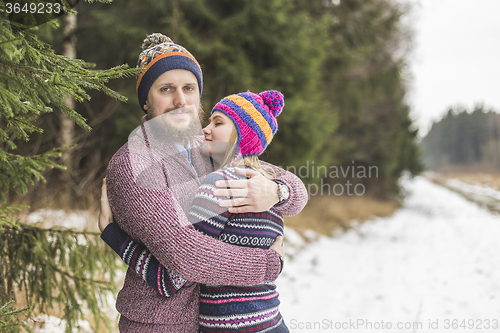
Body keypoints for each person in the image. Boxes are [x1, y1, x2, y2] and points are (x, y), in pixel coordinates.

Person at [103, 32, 307, 332]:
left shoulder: (206, 144)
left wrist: (276, 192)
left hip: (217, 322)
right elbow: (185, 254)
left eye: (189, 88)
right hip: (161, 324)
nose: (180, 100)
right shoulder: (134, 162)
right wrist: (268, 265)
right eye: (166, 89)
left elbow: (291, 185)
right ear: (146, 100)